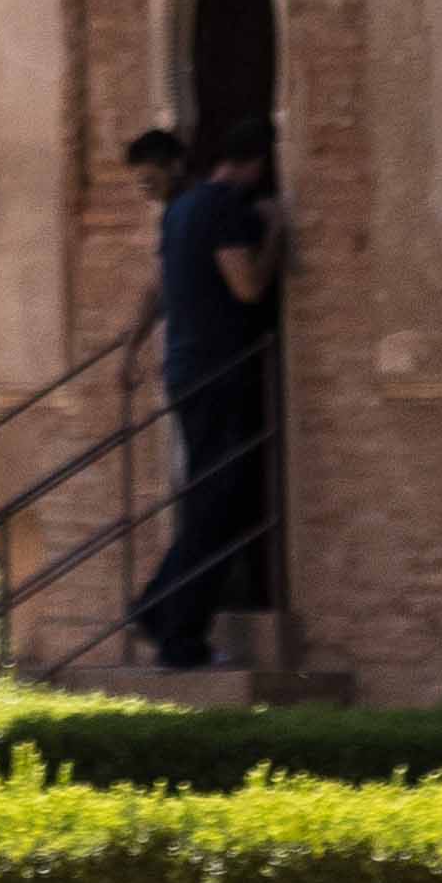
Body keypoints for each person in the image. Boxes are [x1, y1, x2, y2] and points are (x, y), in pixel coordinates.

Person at [130, 124, 281, 673]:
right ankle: (180, 638)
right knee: (217, 507)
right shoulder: (220, 207)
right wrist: (277, 234)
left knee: (210, 501)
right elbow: (247, 287)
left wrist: (131, 348)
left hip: (187, 370)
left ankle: (155, 608)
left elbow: (160, 287)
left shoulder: (180, 210)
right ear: (257, 163)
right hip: (220, 374)